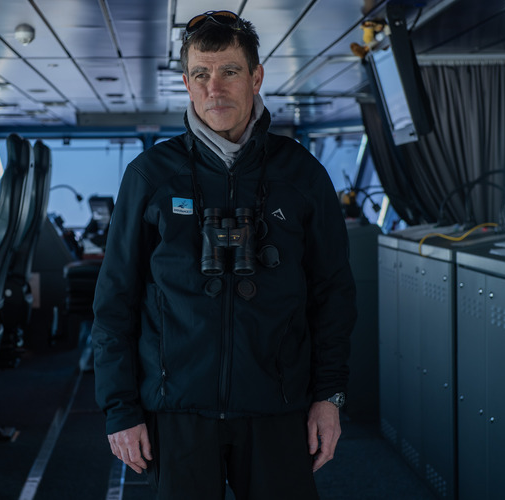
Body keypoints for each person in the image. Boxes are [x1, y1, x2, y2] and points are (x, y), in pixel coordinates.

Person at [91, 9, 357, 500]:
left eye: (230, 71)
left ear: (256, 77)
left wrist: (329, 396)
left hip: (278, 406)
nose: (215, 88)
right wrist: (120, 410)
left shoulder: (301, 175)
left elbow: (333, 295)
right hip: (178, 409)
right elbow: (115, 302)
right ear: (188, 85)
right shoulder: (151, 177)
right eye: (201, 74)